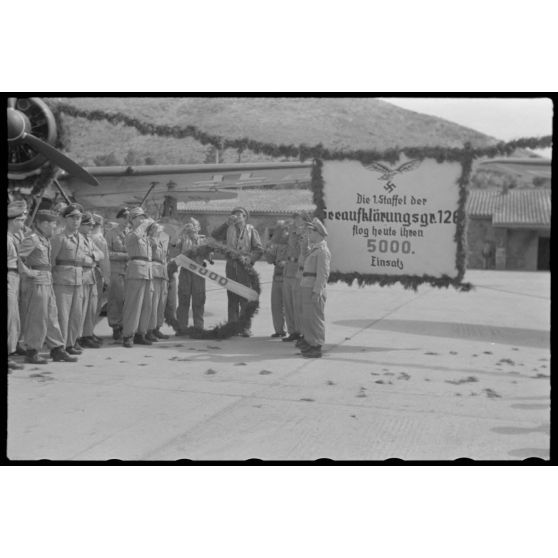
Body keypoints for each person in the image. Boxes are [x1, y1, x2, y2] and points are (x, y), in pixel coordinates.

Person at [18, 210, 78, 364]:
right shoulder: (32, 239)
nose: (55, 227)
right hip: (36, 283)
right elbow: (16, 258)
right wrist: (28, 272)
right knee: (38, 318)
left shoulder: (43, 239)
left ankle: (57, 349)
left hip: (46, 280)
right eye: (53, 224)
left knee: (52, 316)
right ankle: (32, 351)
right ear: (44, 224)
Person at [212, 207, 263, 337]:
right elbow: (215, 236)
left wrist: (250, 258)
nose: (236, 217)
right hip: (231, 266)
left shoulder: (251, 231)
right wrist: (226, 223)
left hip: (244, 267)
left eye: (239, 215)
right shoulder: (228, 229)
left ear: (245, 217)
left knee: (245, 297)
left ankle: (245, 327)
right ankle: (233, 327)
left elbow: (259, 249)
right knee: (232, 298)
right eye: (234, 215)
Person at [51, 203, 86, 355]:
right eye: (72, 217)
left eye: (79, 218)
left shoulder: (82, 238)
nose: (76, 221)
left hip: (78, 280)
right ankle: (59, 347)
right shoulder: (59, 238)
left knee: (76, 315)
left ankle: (70, 343)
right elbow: (50, 261)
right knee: (62, 316)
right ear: (65, 219)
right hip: (62, 281)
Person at [121, 207, 154, 347]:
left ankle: (141, 333)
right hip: (136, 271)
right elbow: (133, 238)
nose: (143, 219)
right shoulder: (131, 234)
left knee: (147, 305)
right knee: (133, 305)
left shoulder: (145, 237)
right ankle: (128, 335)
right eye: (139, 217)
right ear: (132, 220)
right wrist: (145, 224)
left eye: (144, 217)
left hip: (147, 271)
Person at [298, 218, 331, 359]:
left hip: (314, 288)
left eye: (311, 232)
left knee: (315, 318)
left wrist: (317, 291)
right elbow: (301, 263)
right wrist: (303, 246)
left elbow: (323, 274)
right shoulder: (314, 249)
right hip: (307, 286)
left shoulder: (322, 251)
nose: (309, 234)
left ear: (318, 233)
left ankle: (317, 345)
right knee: (308, 318)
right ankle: (310, 342)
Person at [173, 218, 209, 334]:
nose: (192, 228)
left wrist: (196, 241)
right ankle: (181, 327)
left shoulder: (204, 240)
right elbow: (173, 243)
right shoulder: (183, 238)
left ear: (199, 228)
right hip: (185, 272)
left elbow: (209, 255)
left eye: (195, 225)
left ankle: (199, 327)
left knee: (199, 300)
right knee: (183, 299)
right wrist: (181, 230)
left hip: (199, 272)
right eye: (190, 225)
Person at [282, 212, 311, 344]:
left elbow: (305, 251)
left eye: (298, 219)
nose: (295, 222)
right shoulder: (291, 233)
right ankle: (292, 331)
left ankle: (301, 332)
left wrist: (300, 235)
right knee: (288, 303)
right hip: (288, 268)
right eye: (294, 220)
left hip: (298, 271)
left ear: (304, 221)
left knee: (297, 304)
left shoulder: (307, 234)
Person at [77, 212, 104, 348]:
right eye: (88, 225)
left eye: (92, 225)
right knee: (80, 309)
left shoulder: (88, 239)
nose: (91, 228)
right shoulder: (77, 238)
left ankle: (87, 334)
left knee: (90, 308)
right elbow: (79, 258)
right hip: (81, 276)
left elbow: (101, 254)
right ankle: (78, 336)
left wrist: (92, 256)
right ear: (80, 225)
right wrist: (91, 258)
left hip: (90, 275)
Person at [7, 201, 28, 370]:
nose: (23, 223)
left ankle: (12, 348)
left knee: (14, 316)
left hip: (15, 276)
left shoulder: (13, 237)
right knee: (9, 317)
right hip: (9, 276)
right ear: (14, 221)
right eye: (21, 220)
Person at [105, 207, 130, 340]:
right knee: (115, 300)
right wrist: (125, 255)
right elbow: (107, 253)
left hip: (128, 271)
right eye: (124, 217)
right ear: (118, 218)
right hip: (116, 270)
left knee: (126, 300)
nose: (127, 220)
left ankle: (125, 325)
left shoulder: (130, 233)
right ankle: (115, 326)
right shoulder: (111, 234)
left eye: (128, 218)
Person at [264, 220, 289, 337]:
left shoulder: (294, 243)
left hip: (289, 278)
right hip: (277, 277)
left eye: (282, 229)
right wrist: (268, 248)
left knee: (289, 307)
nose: (279, 232)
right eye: (277, 229)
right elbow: (269, 260)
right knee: (276, 305)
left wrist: (286, 263)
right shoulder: (276, 244)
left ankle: (293, 331)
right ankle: (279, 330)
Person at [147, 221, 170, 340]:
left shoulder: (160, 242)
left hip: (162, 273)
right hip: (154, 273)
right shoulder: (149, 241)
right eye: (157, 230)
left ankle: (157, 327)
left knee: (161, 303)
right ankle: (149, 329)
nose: (159, 232)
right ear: (151, 231)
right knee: (153, 303)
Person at [91, 213, 111, 326]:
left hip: (89, 272)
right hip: (97, 272)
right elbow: (104, 261)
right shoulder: (99, 238)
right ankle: (88, 332)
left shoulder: (87, 237)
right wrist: (107, 278)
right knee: (95, 304)